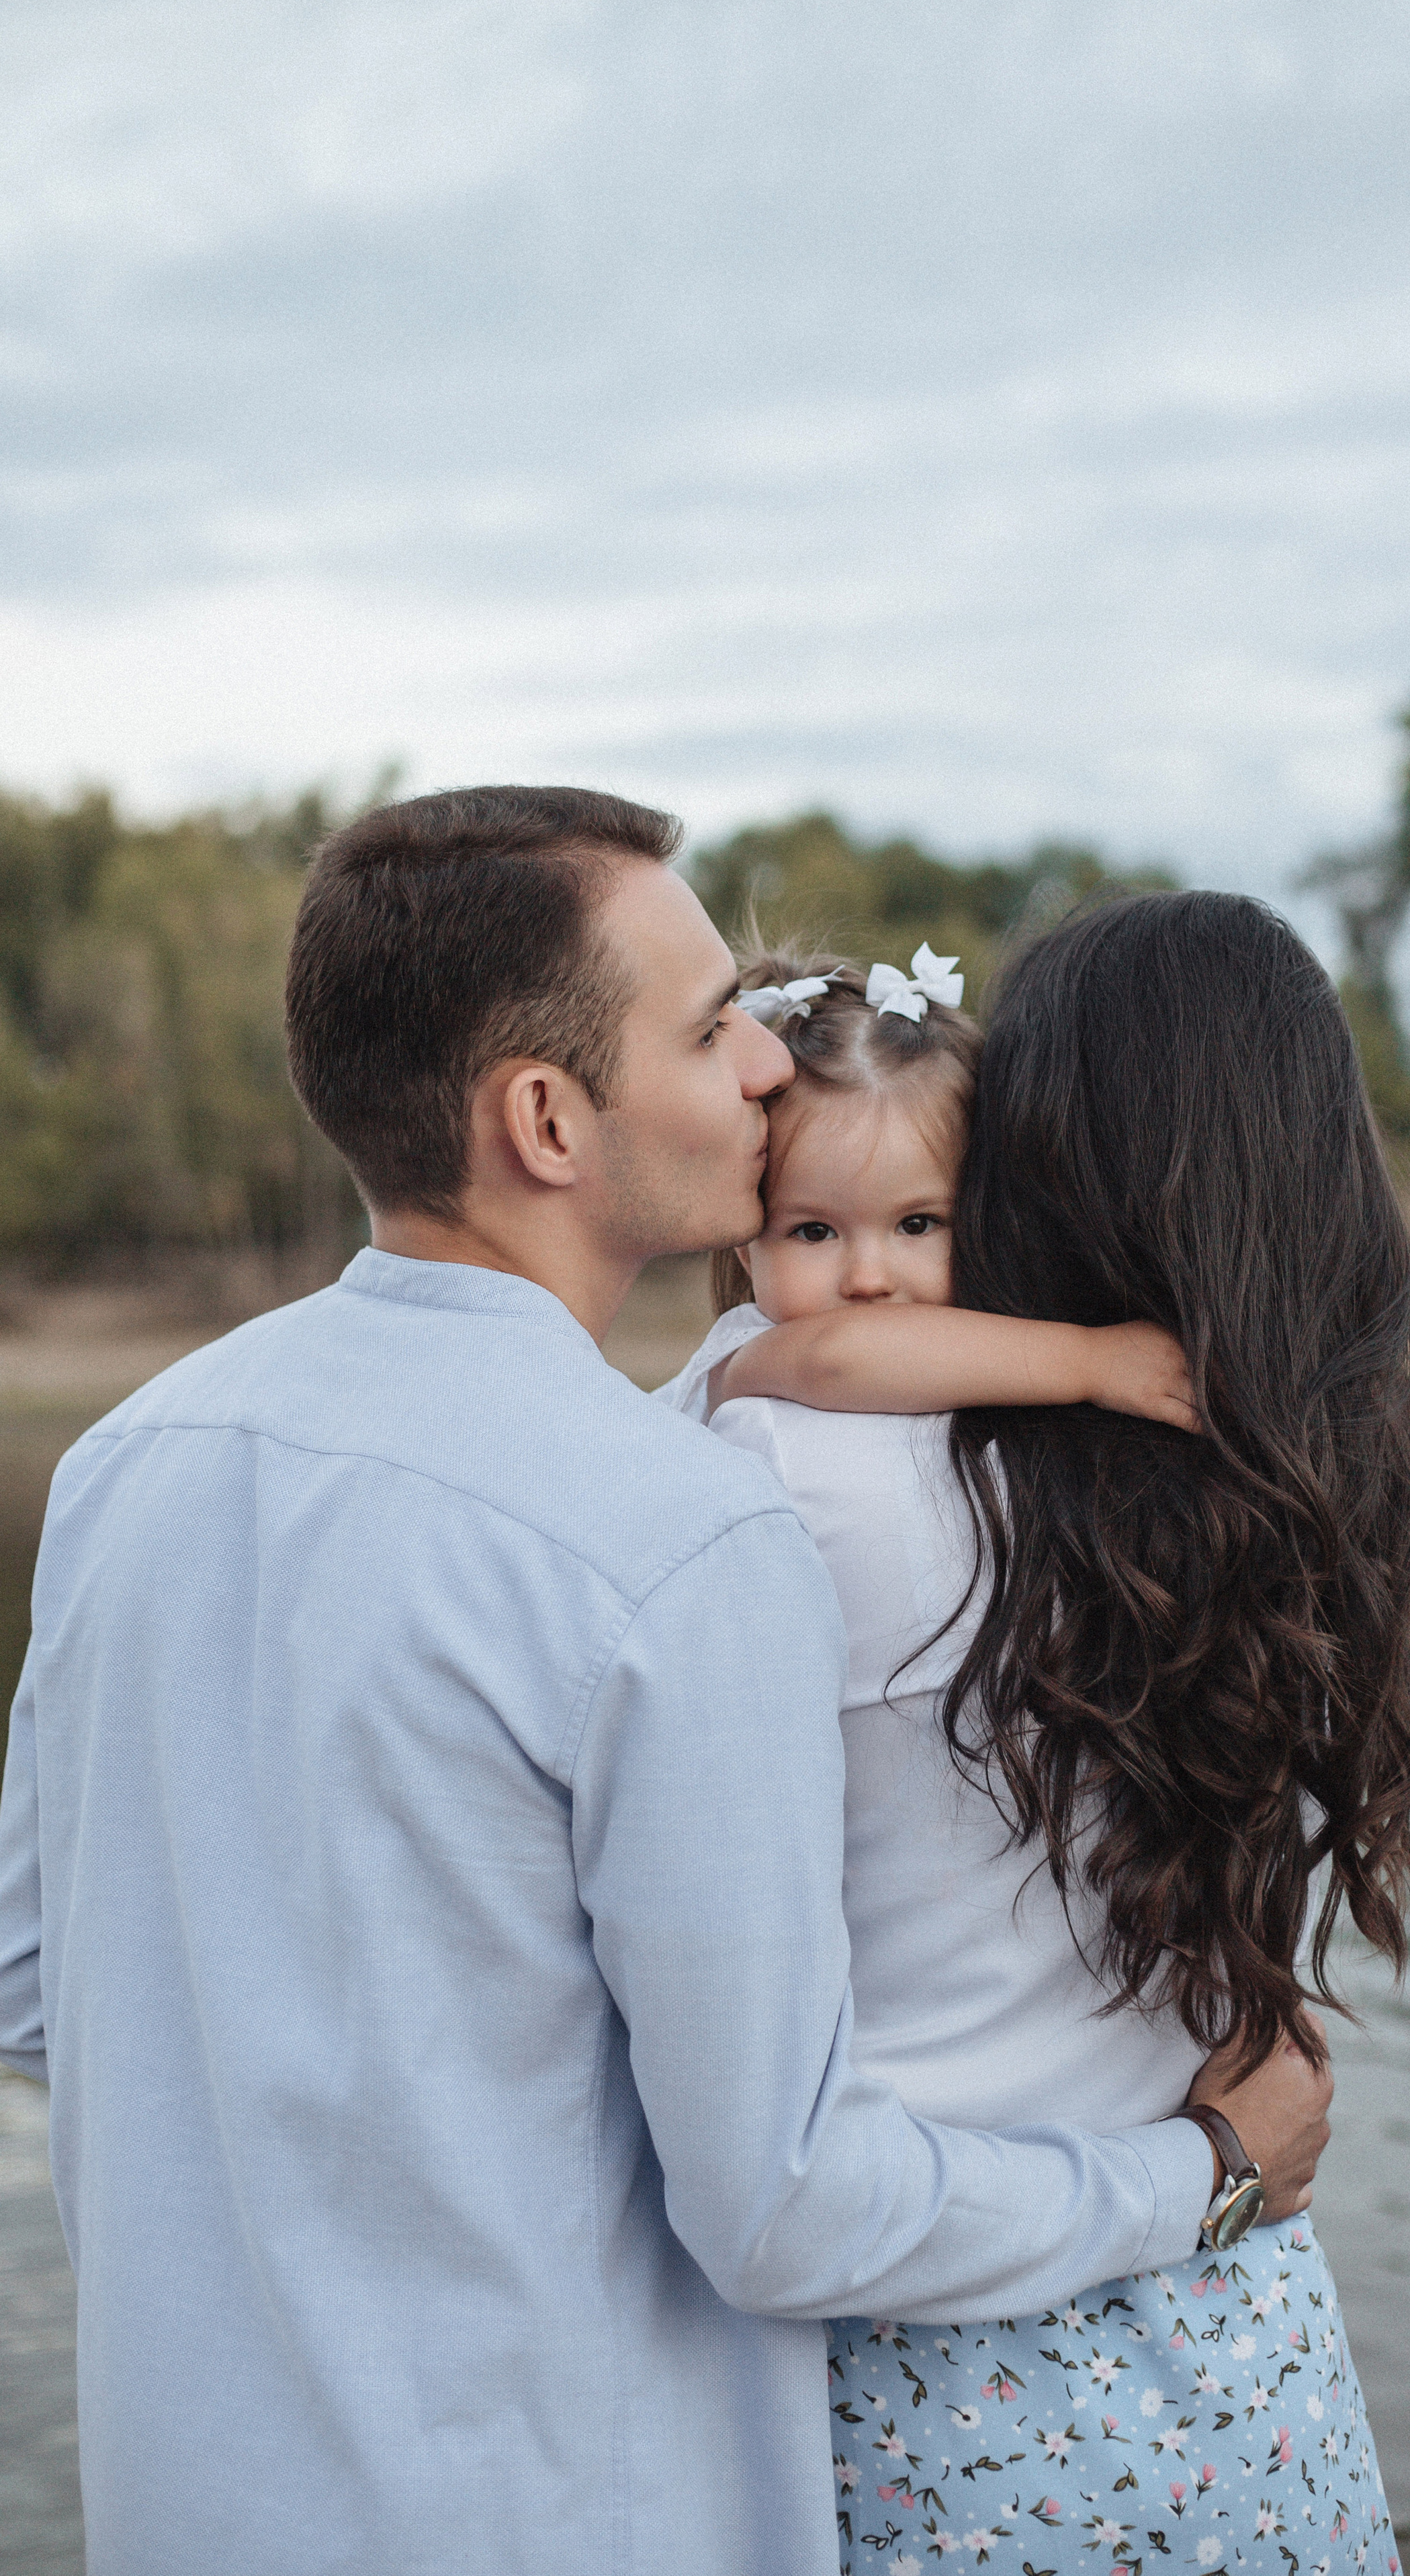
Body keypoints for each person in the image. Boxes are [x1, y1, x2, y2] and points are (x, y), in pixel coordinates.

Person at [0, 789, 1333, 2576]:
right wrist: (1209, 2174)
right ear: (546, 1119)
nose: (772, 1070)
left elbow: (37, 1996)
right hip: (552, 2518)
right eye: (713, 1033)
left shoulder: (127, 1463)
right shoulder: (681, 1538)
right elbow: (789, 2211)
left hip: (192, 2510)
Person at [662, 896, 1410, 2571]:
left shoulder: (791, 1479)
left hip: (951, 2370)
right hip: (1248, 2355)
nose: (859, 1264)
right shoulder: (1293, 1470)